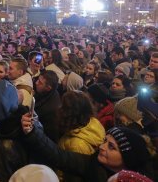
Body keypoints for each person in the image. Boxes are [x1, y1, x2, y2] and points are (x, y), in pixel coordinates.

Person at [21, 117, 153, 181]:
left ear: (128, 157)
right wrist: (33, 132)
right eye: (105, 141)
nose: (101, 147)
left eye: (111, 146)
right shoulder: (92, 163)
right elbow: (58, 155)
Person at [34, 70, 61, 142]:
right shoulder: (52, 92)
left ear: (48, 88)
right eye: (37, 80)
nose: (36, 83)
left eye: (40, 82)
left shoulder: (49, 109)